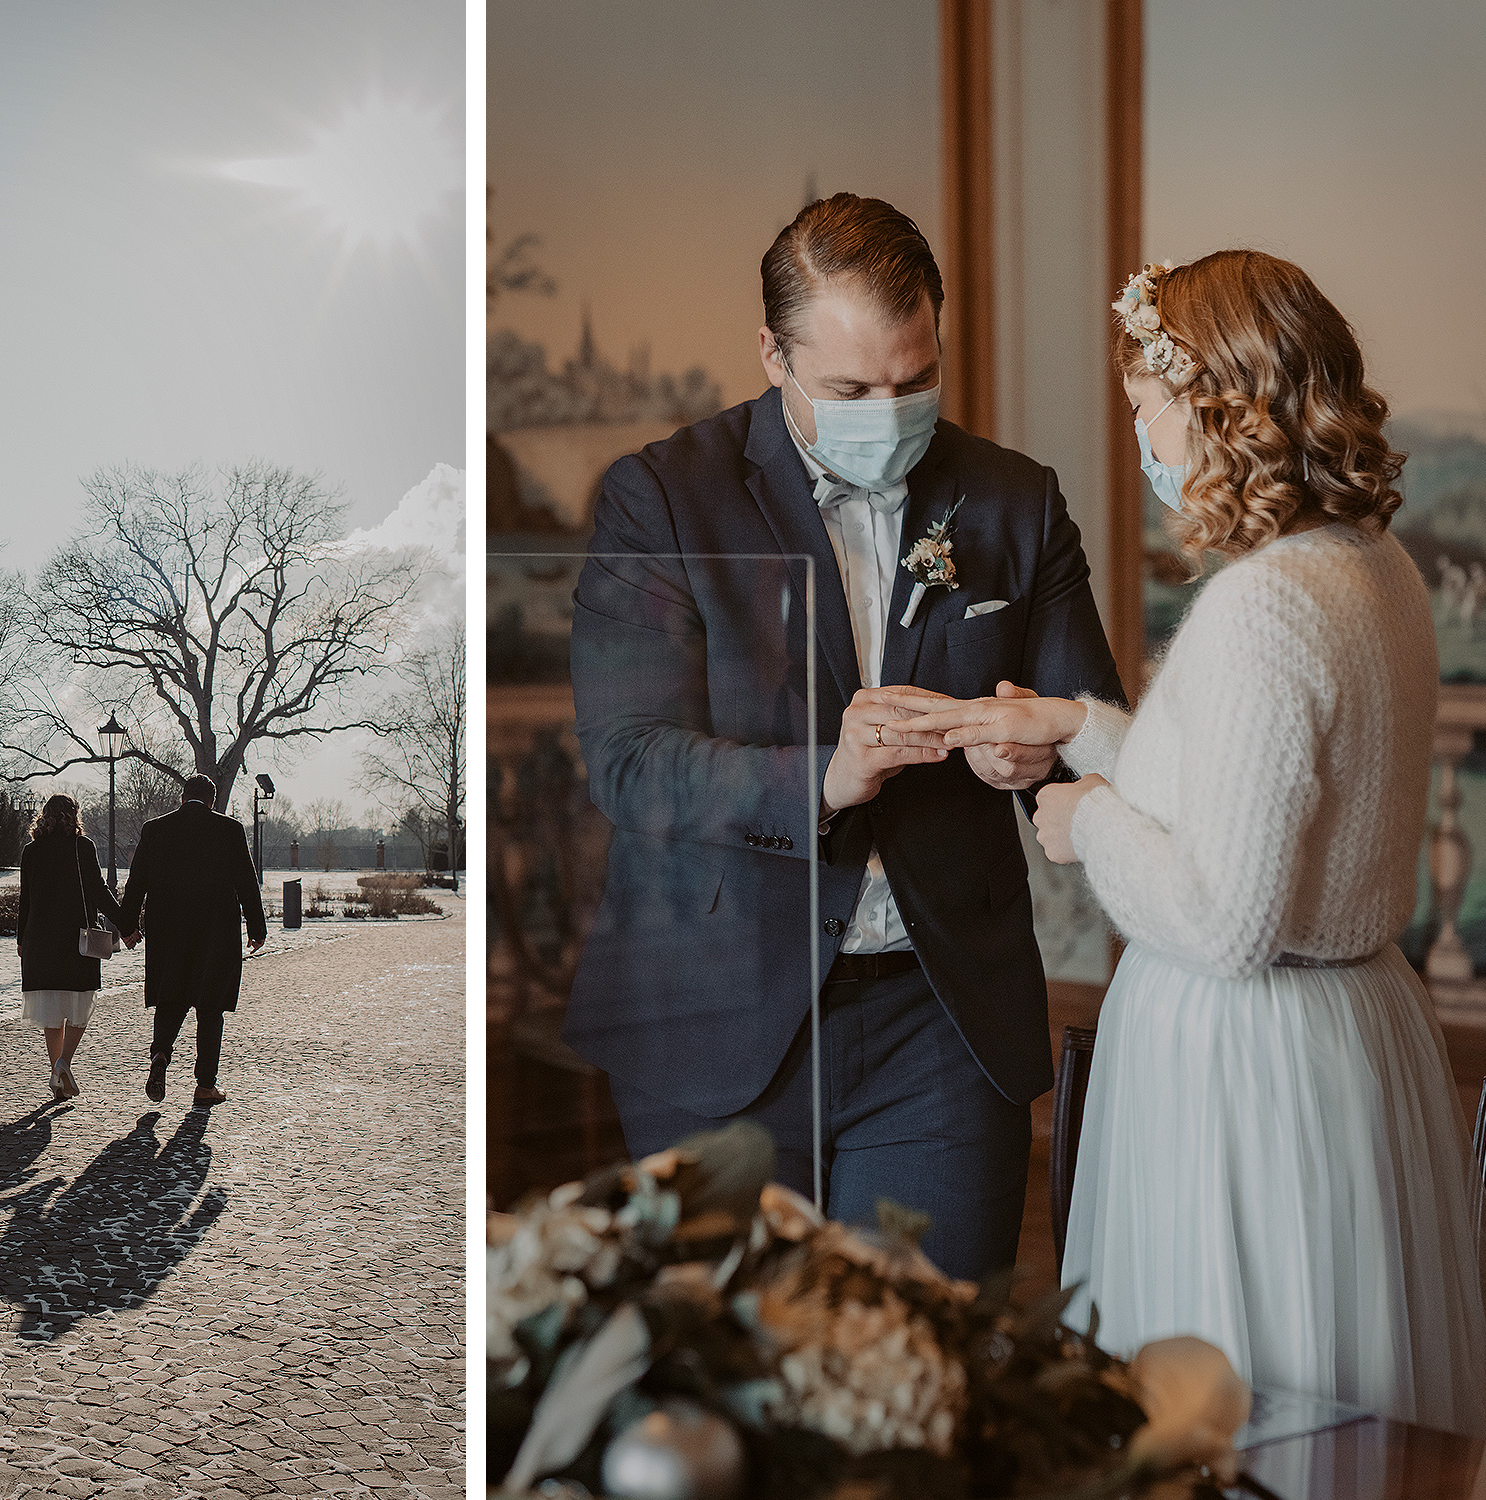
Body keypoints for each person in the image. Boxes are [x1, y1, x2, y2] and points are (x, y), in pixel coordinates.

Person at [889, 249, 1486, 1432]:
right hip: (1351, 1024)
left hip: (1246, 1062)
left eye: (1145, 413)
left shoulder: (1261, 605)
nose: (1142, 444)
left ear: (1218, 406)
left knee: (1234, 1402)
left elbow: (1223, 914)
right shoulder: (1375, 570)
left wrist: (1080, 820)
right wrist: (1073, 724)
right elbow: (1243, 776)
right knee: (1339, 1403)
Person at [564, 193, 1125, 1280]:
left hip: (939, 1026)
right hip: (714, 1013)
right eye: (851, 389)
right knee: (721, 1402)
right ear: (771, 354)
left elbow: (1083, 723)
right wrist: (823, 776)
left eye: (915, 380)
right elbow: (628, 762)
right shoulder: (661, 501)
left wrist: (1034, 754)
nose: (890, 408)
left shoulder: (1014, 503)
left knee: (923, 1384)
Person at [118, 774, 267, 1107]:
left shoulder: (154, 829)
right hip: (215, 933)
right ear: (212, 801)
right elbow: (246, 882)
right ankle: (205, 1086)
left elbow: (136, 882)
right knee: (210, 1007)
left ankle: (160, 1056)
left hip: (167, 932)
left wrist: (127, 926)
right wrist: (257, 928)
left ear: (182, 798)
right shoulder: (230, 830)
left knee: (170, 997)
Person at [16, 793, 132, 1102]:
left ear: (46, 816)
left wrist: (19, 939)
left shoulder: (31, 851)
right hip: (76, 940)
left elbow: (25, 900)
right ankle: (63, 1064)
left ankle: (57, 1073)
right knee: (80, 1007)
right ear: (73, 815)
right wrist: (126, 923)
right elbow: (99, 893)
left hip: (39, 941)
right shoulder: (83, 848)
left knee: (51, 1014)